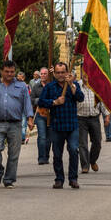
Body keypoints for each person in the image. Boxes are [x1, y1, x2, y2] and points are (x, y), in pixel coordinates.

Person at [0, 59, 33, 188]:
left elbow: (27, 103)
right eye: (7, 72)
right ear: (1, 72)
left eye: (12, 72)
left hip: (15, 124)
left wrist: (30, 118)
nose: (10, 74)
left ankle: (9, 179)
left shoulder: (22, 86)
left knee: (14, 153)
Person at [38, 61, 84, 189]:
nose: (60, 75)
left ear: (67, 72)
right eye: (57, 72)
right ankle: (59, 179)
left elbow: (80, 98)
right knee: (57, 154)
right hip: (56, 125)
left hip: (72, 124)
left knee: (74, 150)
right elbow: (41, 101)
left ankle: (73, 179)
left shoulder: (73, 85)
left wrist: (72, 86)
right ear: (54, 73)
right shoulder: (49, 87)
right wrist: (54, 102)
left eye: (62, 72)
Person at [76, 79, 107, 172]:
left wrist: (107, 115)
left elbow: (101, 101)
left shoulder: (96, 85)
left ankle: (92, 160)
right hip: (80, 118)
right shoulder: (77, 86)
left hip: (94, 118)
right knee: (83, 144)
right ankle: (85, 166)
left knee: (97, 142)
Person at [29, 66, 52, 165]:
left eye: (45, 74)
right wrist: (40, 100)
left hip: (51, 115)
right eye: (41, 74)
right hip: (40, 114)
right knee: (42, 136)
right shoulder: (36, 87)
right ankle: (41, 157)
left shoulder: (52, 85)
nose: (43, 75)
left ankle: (46, 156)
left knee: (49, 137)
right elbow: (31, 100)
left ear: (48, 75)